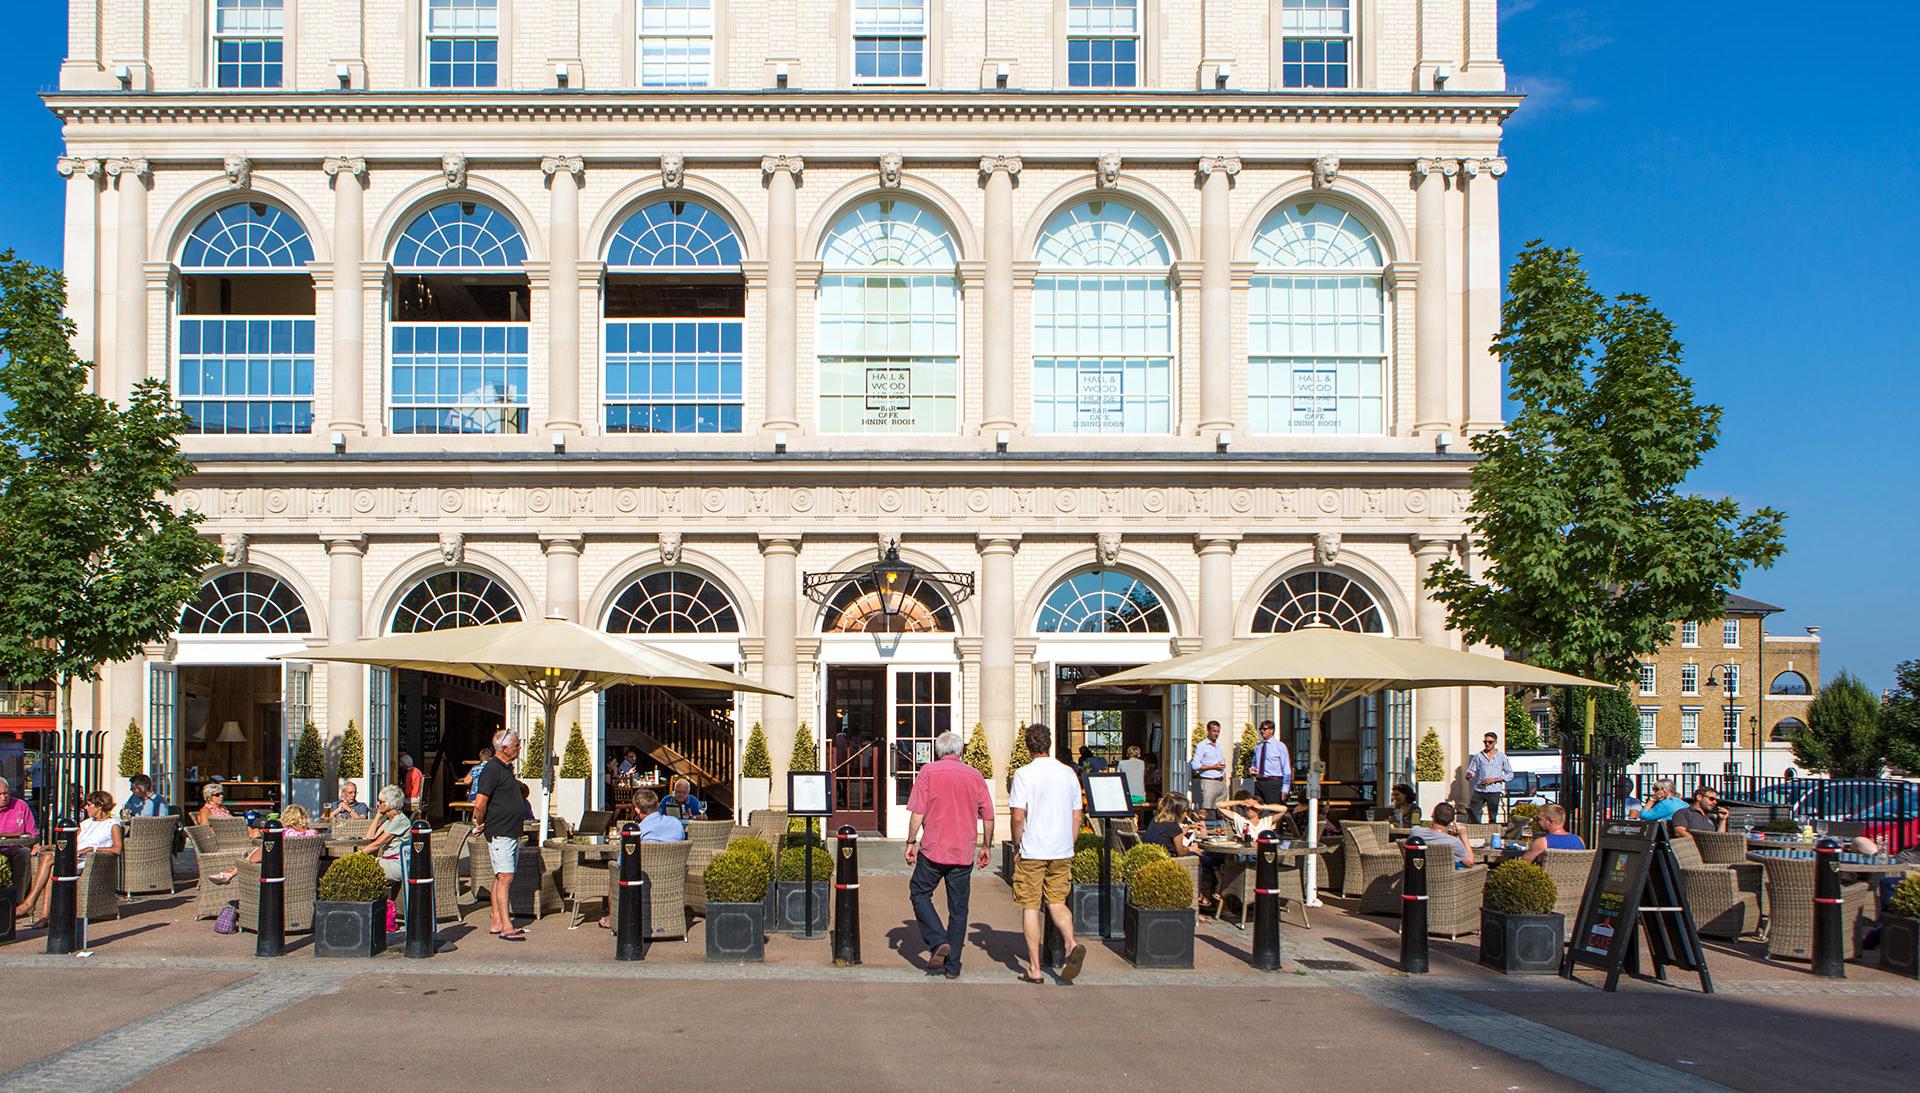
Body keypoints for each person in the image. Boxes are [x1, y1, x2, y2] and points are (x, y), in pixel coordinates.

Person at [903, 730, 995, 979]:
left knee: (920, 893)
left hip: (933, 849)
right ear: (960, 752)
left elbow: (918, 813)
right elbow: (988, 815)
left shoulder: (928, 772)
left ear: (938, 752)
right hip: (963, 852)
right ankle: (952, 966)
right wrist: (986, 845)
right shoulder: (974, 775)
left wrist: (911, 841)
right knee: (958, 910)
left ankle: (937, 940)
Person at [1008, 723, 1086, 984]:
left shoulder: (1023, 774)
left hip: (1033, 848)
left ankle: (1035, 968)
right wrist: (1070, 841)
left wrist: (1017, 843)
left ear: (1028, 746)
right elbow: (1077, 815)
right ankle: (1071, 943)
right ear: (1049, 743)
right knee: (1057, 901)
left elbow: (1018, 816)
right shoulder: (1068, 774)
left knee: (1030, 906)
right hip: (1061, 848)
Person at [17, 791, 121, 927]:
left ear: (100, 806)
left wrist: (92, 849)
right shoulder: (86, 823)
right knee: (52, 865)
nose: (85, 808)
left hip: (88, 862)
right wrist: (46, 846)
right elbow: (69, 844)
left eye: (89, 805)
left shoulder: (112, 824)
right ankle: (44, 916)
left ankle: (30, 903)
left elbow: (117, 849)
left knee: (49, 859)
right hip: (72, 857)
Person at [595, 788, 687, 928]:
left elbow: (623, 863)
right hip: (672, 880)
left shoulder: (637, 831)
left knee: (615, 872)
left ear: (637, 810)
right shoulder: (676, 823)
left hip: (642, 882)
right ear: (657, 805)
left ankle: (613, 918)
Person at [472, 729, 528, 941]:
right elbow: (480, 803)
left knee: (500, 877)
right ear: (504, 749)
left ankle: (497, 921)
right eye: (516, 745)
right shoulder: (492, 770)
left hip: (509, 830)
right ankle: (506, 926)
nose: (518, 748)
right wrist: (479, 823)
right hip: (500, 832)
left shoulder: (506, 768)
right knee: (506, 877)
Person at [208, 804, 321, 884]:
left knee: (258, 852)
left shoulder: (283, 834)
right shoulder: (314, 834)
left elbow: (254, 859)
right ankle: (229, 874)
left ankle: (230, 874)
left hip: (281, 877)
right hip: (307, 878)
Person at [358, 786, 413, 884]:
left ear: (390, 804)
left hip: (398, 864)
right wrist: (378, 816)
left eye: (381, 802)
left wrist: (357, 855)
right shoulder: (389, 820)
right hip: (388, 861)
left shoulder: (400, 821)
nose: (378, 804)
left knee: (360, 866)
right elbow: (370, 837)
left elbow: (377, 844)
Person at [1408, 801, 1475, 868]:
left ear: (1432, 815)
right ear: (1452, 820)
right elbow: (1470, 863)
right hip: (1445, 877)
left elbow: (1436, 837)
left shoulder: (1415, 832)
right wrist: (1463, 835)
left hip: (1417, 873)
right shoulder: (1454, 842)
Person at [1466, 732, 1512, 824]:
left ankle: (1491, 833)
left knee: (1493, 816)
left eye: (1490, 742)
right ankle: (1475, 830)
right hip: (1480, 789)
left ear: (1495, 742)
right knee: (1471, 812)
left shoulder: (1502, 757)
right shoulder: (1478, 756)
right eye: (1485, 742)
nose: (1487, 744)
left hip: (1494, 790)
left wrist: (1494, 780)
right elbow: (1472, 770)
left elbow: (1509, 774)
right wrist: (1469, 775)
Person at [1519, 804, 1585, 863]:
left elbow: (1521, 866)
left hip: (1547, 876)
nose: (1536, 822)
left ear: (1549, 822)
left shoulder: (1542, 843)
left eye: (1538, 819)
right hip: (1576, 876)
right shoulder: (1579, 840)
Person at [1247, 720, 1292, 806]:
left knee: (1273, 810)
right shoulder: (1258, 747)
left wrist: (1285, 788)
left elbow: (1286, 769)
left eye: (1264, 729)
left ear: (1272, 730)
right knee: (1259, 809)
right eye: (1260, 729)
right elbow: (1254, 763)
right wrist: (1252, 769)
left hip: (1273, 783)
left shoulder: (1280, 746)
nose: (1262, 731)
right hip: (1259, 782)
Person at [1189, 721, 1228, 812]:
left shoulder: (1218, 745)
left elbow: (1222, 763)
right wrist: (1213, 767)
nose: (1216, 734)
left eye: (1218, 731)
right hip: (1208, 781)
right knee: (1208, 810)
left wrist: (1225, 779)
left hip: (1220, 781)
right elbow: (1195, 765)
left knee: (1222, 811)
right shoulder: (1202, 746)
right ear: (1208, 730)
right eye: (1214, 731)